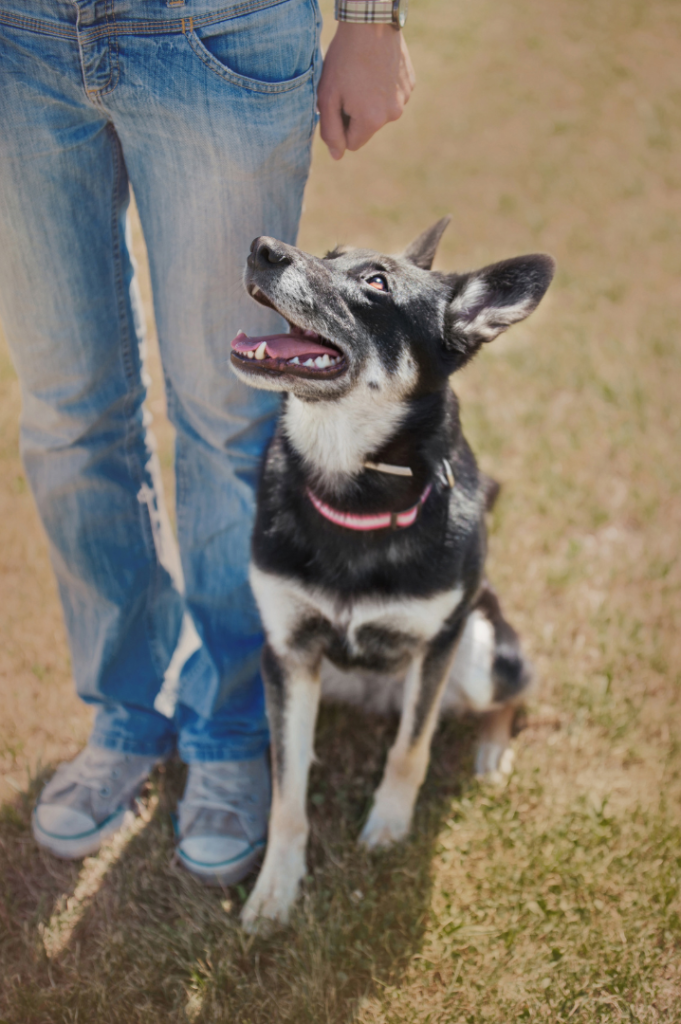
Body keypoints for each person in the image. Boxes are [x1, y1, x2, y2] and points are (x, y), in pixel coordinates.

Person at [0, 0, 414, 883]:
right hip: (16, 40)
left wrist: (373, 20)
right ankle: (126, 709)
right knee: (66, 412)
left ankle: (230, 727)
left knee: (231, 416)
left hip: (217, 28)